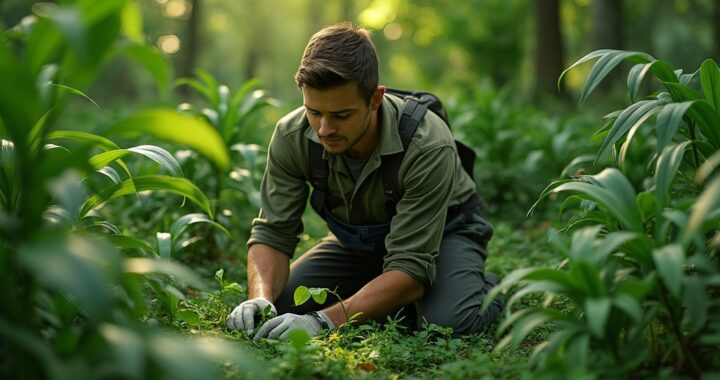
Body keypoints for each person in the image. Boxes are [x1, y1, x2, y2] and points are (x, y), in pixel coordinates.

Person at [226, 22, 501, 341]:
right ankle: (382, 292)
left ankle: (482, 288)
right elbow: (273, 234)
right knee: (286, 303)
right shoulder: (292, 135)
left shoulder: (427, 142)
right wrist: (259, 297)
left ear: (375, 99)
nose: (324, 128)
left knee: (446, 324)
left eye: (341, 115)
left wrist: (322, 322)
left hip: (443, 235)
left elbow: (411, 266)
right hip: (359, 243)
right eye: (314, 112)